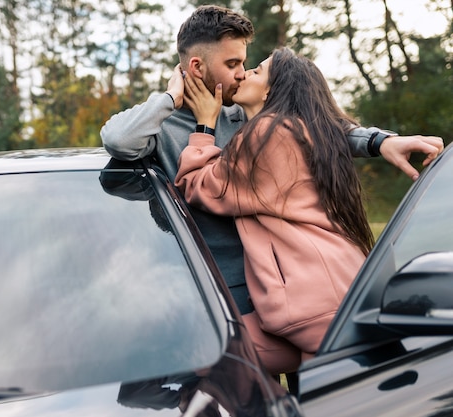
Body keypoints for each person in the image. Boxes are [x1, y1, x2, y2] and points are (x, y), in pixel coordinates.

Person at [100, 5, 444, 317]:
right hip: (209, 282)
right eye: (232, 64)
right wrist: (172, 97)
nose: (241, 73)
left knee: (308, 375)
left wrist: (379, 142)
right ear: (195, 66)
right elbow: (117, 140)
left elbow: (315, 124)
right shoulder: (159, 124)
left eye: (244, 63)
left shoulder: (245, 112)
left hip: (280, 278)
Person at [174, 46, 376, 375]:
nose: (244, 73)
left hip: (313, 308)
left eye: (257, 71)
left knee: (204, 350)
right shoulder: (306, 131)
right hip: (344, 291)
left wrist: (205, 125)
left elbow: (198, 186)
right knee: (208, 350)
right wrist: (381, 141)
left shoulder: (265, 135)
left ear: (271, 89)